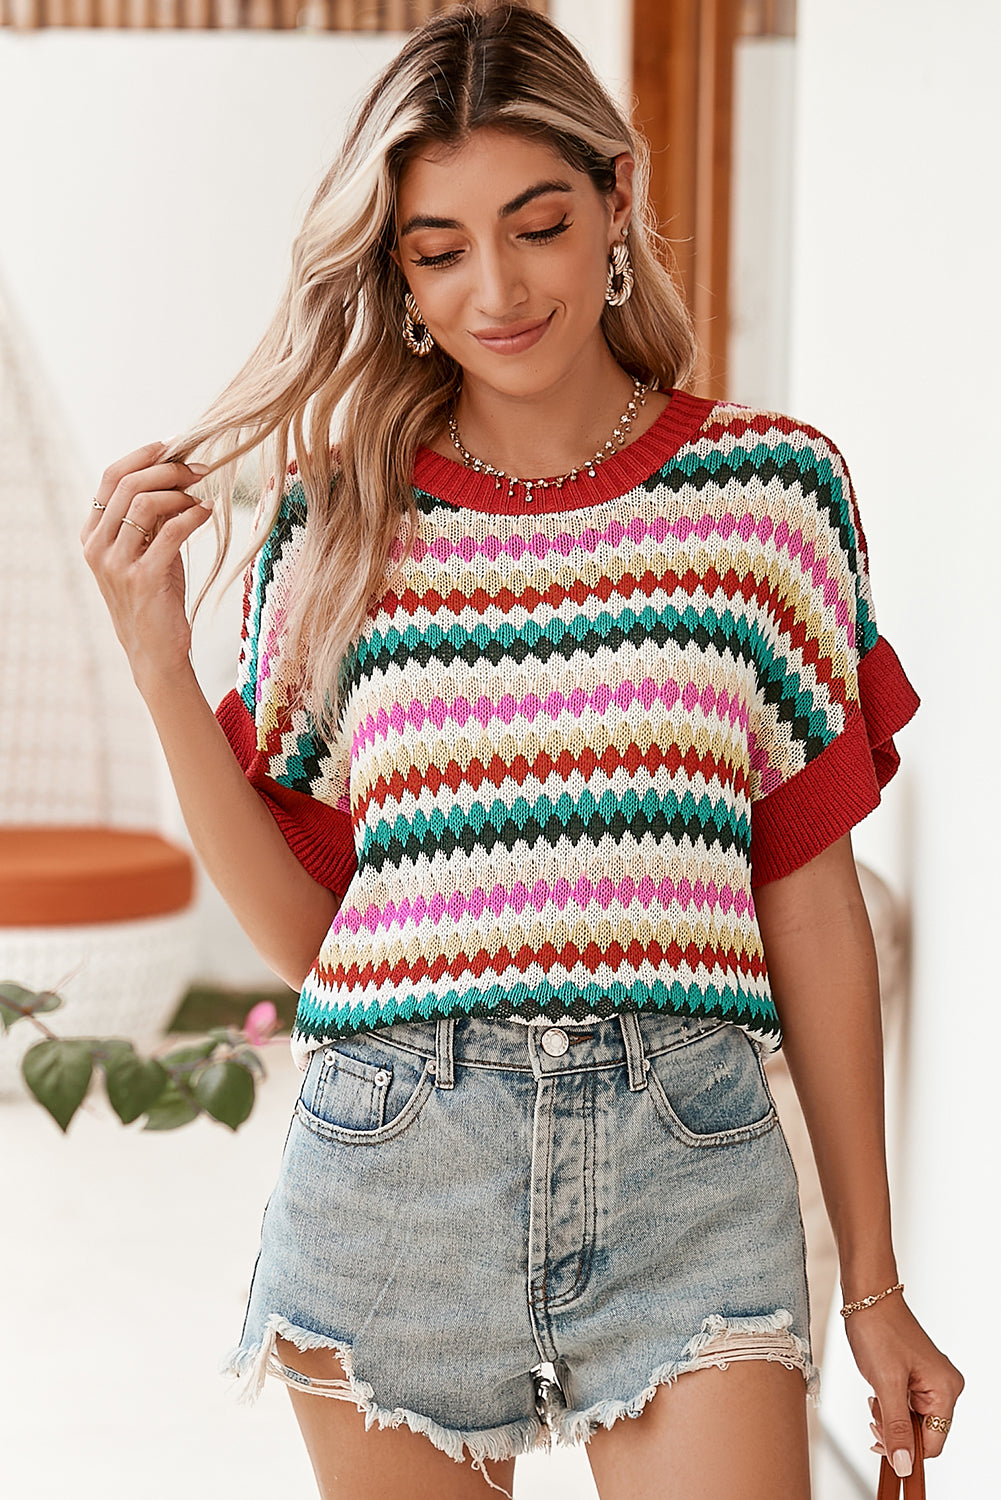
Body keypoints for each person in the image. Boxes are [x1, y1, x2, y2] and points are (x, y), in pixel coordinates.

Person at [80, 5, 963, 1497]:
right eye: (436, 247)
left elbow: (807, 901)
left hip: (693, 1167)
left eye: (537, 223)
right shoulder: (333, 526)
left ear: (617, 202)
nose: (495, 286)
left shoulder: (768, 492)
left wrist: (872, 1288)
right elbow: (312, 936)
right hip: (392, 1168)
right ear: (394, 273)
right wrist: (159, 666)